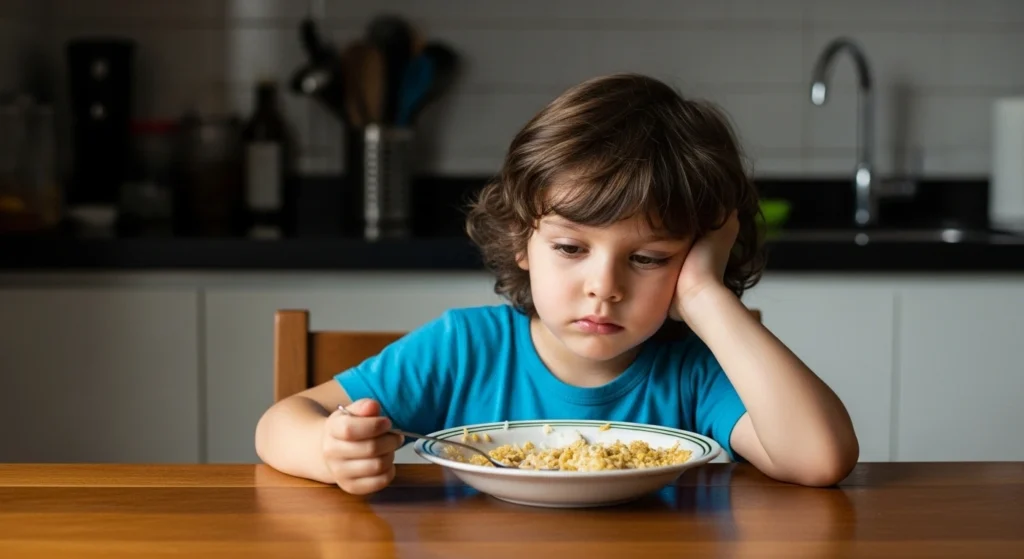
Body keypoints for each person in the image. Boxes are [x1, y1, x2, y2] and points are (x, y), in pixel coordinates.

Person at [255, 73, 860, 494]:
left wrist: (706, 295)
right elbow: (280, 422)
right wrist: (329, 451)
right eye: (571, 248)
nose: (604, 287)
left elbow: (820, 459)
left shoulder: (695, 369)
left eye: (649, 259)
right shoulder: (463, 349)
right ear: (523, 241)